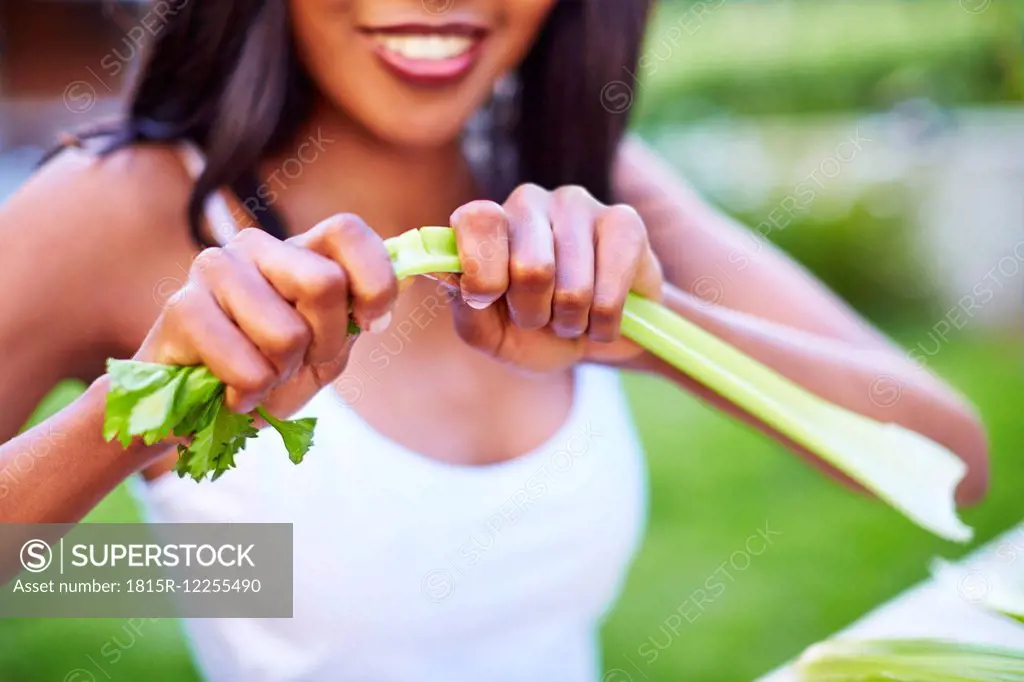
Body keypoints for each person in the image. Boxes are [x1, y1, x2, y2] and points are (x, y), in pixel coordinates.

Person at [0, 2, 989, 680]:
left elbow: (954, 465)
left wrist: (651, 333)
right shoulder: (117, 208)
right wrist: (134, 423)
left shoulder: (591, 181)